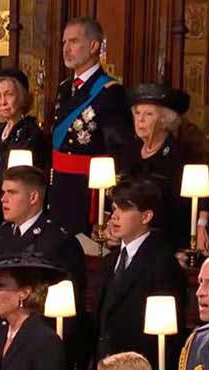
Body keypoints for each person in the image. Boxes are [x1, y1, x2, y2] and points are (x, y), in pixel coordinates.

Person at [0, 166, 87, 370]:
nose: (3, 199)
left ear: (34, 196)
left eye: (12, 192)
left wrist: (56, 356)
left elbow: (70, 308)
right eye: (3, 192)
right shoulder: (5, 234)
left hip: (38, 346)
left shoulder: (58, 241)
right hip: (6, 342)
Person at [96, 181, 187, 370]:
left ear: (146, 216)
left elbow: (170, 335)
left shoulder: (162, 264)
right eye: (114, 208)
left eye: (125, 209)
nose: (114, 216)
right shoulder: (109, 261)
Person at [49, 17, 132, 235]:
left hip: (88, 193)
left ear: (94, 46)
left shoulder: (109, 92)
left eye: (74, 42)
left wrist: (108, 207)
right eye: (64, 42)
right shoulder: (65, 88)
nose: (66, 49)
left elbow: (118, 153)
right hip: (59, 188)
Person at [0, 68, 49, 235]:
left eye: (8, 95)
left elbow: (18, 183)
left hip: (12, 220)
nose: (2, 102)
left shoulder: (31, 134)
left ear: (21, 97)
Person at [121, 83, 191, 251]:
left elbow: (183, 208)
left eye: (148, 114)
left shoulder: (178, 154)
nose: (140, 120)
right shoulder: (129, 150)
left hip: (164, 240)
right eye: (137, 113)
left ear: (164, 120)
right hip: (129, 237)